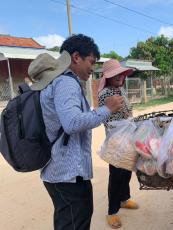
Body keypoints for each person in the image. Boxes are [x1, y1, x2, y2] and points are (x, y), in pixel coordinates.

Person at [30, 34, 124, 230]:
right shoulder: (65, 83)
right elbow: (72, 122)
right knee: (75, 222)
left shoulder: (56, 83)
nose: (92, 68)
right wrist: (106, 109)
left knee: (68, 221)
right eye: (91, 61)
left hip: (60, 172)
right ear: (76, 57)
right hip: (67, 173)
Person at [97, 59, 138, 229]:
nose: (120, 77)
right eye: (116, 75)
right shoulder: (106, 93)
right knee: (116, 175)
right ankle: (112, 212)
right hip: (115, 139)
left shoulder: (120, 89)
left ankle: (124, 199)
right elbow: (122, 111)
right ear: (108, 77)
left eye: (121, 74)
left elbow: (127, 111)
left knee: (127, 169)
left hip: (126, 136)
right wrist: (128, 112)